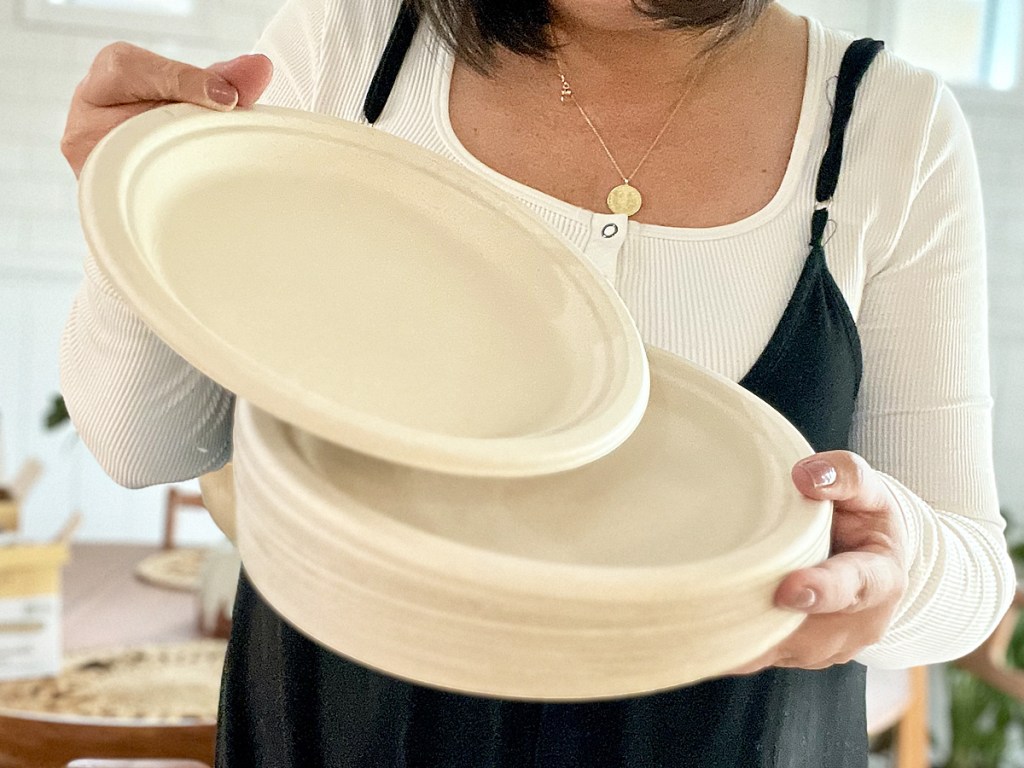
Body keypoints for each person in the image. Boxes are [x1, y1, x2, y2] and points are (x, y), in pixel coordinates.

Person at [59, 0, 1016, 765]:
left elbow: (971, 572)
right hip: (346, 724)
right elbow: (146, 442)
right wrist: (127, 202)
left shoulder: (889, 126)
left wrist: (901, 569)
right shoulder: (353, 44)